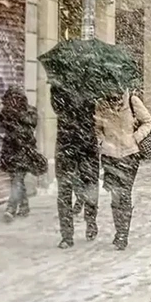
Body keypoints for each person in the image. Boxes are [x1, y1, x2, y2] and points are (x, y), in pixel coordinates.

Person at [95, 89, 151, 250]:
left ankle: (122, 234)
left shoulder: (132, 101)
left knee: (124, 194)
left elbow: (148, 121)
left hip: (129, 155)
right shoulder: (101, 104)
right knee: (115, 195)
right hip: (110, 156)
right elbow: (97, 128)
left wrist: (135, 137)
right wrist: (102, 142)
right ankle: (119, 229)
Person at [51, 83, 100, 249]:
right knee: (65, 191)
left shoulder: (93, 87)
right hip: (67, 147)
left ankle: (90, 221)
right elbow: (57, 108)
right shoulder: (59, 87)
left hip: (85, 147)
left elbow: (97, 113)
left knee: (89, 186)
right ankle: (67, 234)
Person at [0, 86, 39, 222]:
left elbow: (32, 124)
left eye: (16, 98)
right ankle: (24, 206)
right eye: (11, 98)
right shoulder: (6, 112)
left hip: (24, 151)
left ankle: (11, 208)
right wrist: (5, 123)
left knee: (17, 179)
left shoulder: (30, 111)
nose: (13, 101)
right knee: (16, 180)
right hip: (10, 151)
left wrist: (17, 118)